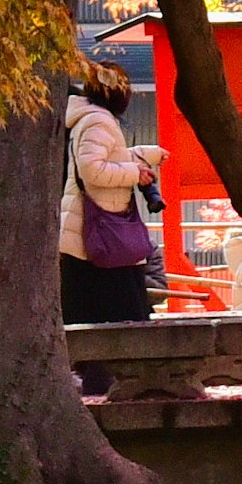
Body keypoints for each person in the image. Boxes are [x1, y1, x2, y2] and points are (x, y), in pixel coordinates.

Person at [58, 63, 156, 392]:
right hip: (101, 238)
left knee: (91, 311)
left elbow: (99, 159)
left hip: (87, 237)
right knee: (121, 312)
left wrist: (139, 156)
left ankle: (99, 384)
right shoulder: (99, 120)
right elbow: (93, 171)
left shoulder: (88, 119)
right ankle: (114, 386)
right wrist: (134, 173)